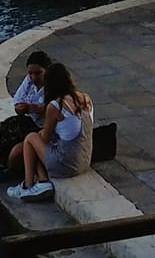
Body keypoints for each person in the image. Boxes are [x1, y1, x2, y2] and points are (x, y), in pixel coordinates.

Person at [8, 62, 93, 202]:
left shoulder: (55, 106)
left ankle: (28, 184)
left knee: (30, 139)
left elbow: (45, 138)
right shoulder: (85, 98)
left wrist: (40, 133)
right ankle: (41, 180)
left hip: (66, 165)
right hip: (84, 160)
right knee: (38, 140)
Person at [0, 50, 51, 179]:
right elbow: (18, 102)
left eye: (38, 73)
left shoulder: (51, 87)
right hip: (26, 123)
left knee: (17, 152)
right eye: (30, 73)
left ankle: (9, 168)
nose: (33, 77)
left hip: (41, 129)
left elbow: (47, 109)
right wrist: (21, 108)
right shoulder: (29, 81)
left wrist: (31, 107)